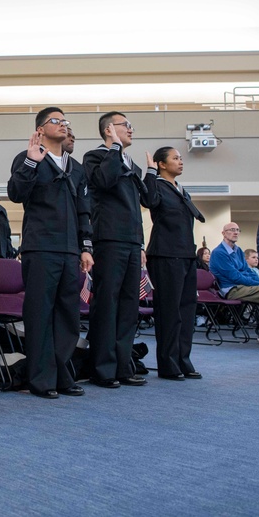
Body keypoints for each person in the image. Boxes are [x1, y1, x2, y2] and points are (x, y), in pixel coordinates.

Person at [8, 107, 93, 398]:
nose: (63, 124)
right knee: (40, 315)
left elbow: (84, 211)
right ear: (41, 129)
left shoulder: (76, 167)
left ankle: (62, 375)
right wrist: (31, 163)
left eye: (64, 120)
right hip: (41, 247)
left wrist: (85, 247)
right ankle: (41, 379)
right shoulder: (28, 156)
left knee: (68, 316)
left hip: (70, 251)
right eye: (55, 120)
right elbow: (17, 193)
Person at [81, 111, 148, 388]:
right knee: (107, 305)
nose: (131, 130)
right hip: (108, 240)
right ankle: (103, 368)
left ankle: (123, 365)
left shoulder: (130, 163)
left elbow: (139, 205)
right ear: (109, 130)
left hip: (132, 242)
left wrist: (141, 243)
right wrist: (115, 148)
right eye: (125, 126)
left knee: (129, 306)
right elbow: (103, 182)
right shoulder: (96, 156)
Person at [141, 146, 205, 380]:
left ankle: (183, 359)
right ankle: (168, 363)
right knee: (169, 312)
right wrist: (149, 171)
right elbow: (147, 200)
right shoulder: (156, 184)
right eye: (175, 158)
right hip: (165, 254)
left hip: (186, 254)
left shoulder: (180, 189)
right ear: (161, 164)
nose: (180, 162)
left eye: (180, 158)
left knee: (186, 310)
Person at [209, 224, 259, 345]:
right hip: (232, 289)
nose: (235, 232)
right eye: (232, 230)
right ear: (223, 233)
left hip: (244, 286)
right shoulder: (219, 253)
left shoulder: (238, 250)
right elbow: (235, 277)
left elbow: (248, 271)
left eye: (237, 230)